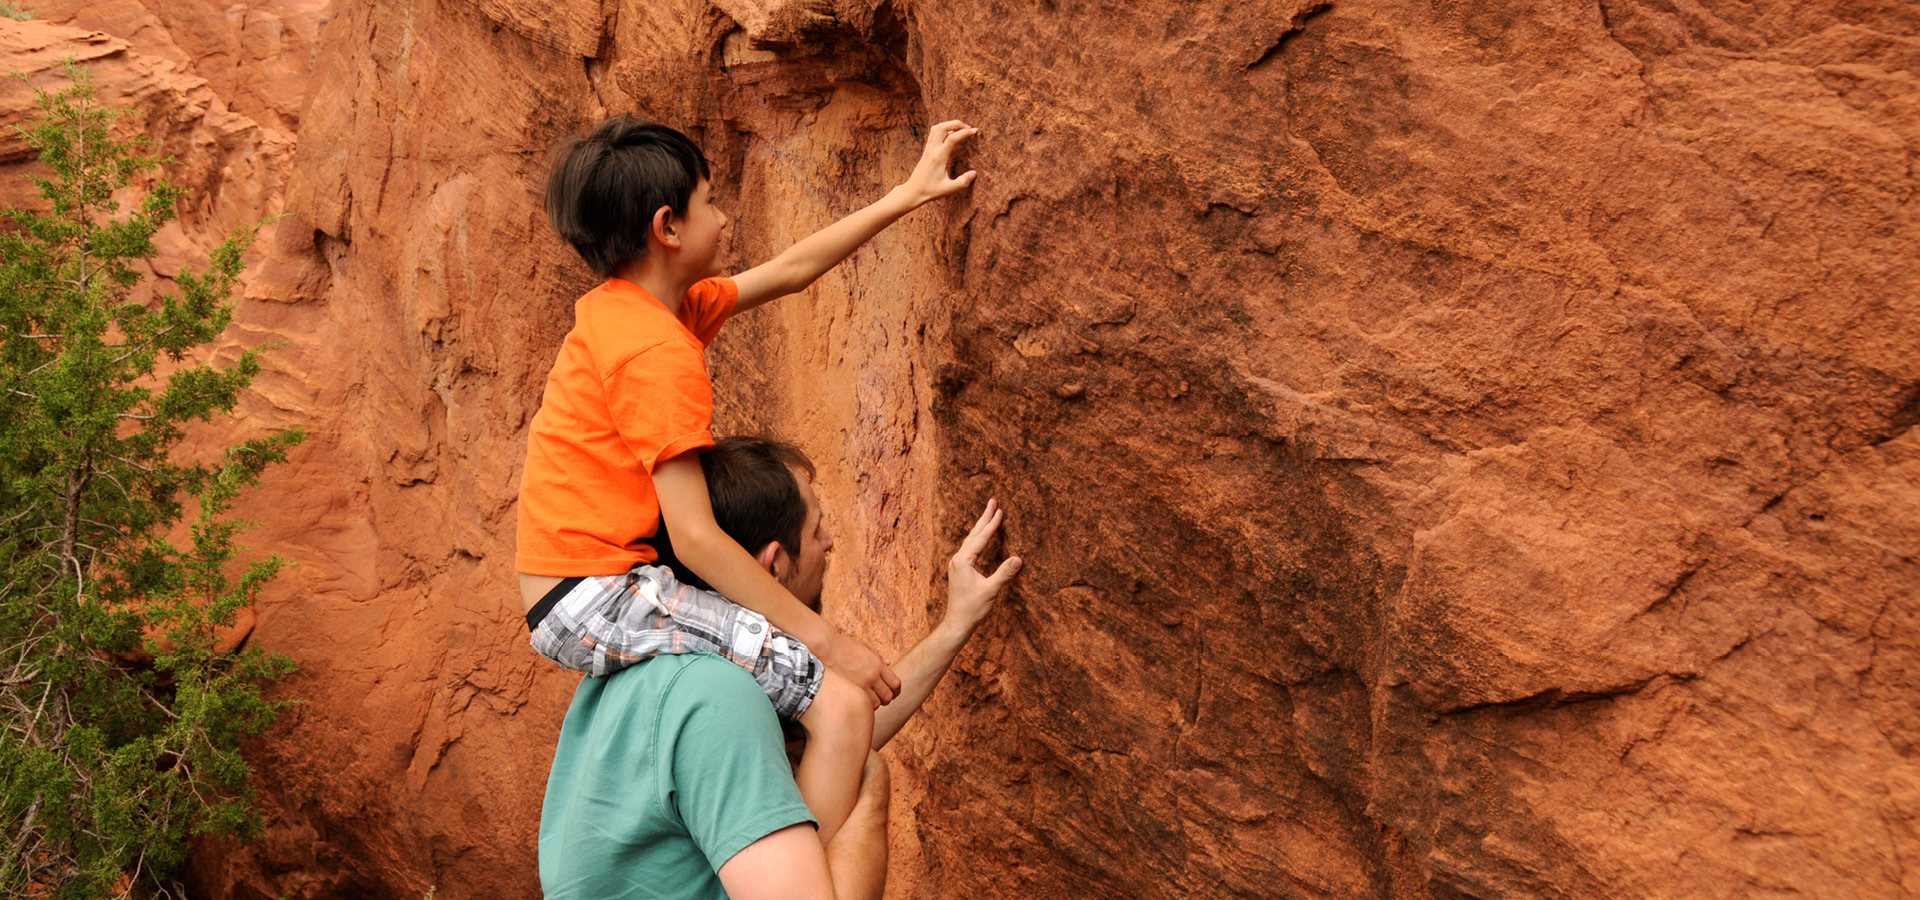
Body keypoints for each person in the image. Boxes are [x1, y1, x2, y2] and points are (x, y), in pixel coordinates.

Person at [516, 116, 980, 843]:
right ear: (668, 226)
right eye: (711, 201)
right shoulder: (651, 351)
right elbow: (697, 538)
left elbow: (792, 271)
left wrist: (907, 195)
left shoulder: (645, 310)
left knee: (807, 702)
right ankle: (778, 878)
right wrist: (828, 641)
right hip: (599, 594)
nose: (727, 217)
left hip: (584, 589)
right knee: (833, 699)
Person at [540, 437, 1023, 898]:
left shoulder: (648, 669)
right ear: (772, 565)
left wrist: (955, 624)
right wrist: (872, 796)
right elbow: (837, 757)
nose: (829, 544)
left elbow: (827, 750)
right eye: (816, 530)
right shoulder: (717, 698)